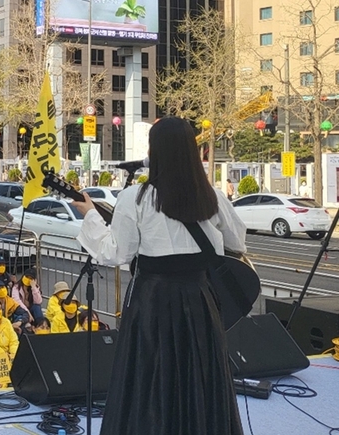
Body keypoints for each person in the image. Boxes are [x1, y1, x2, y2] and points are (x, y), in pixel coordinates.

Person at [75, 116, 247, 435]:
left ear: (155, 152)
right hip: (199, 299)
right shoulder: (212, 197)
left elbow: (116, 252)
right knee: (200, 375)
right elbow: (237, 240)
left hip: (153, 301)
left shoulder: (137, 198)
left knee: (149, 381)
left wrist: (90, 217)